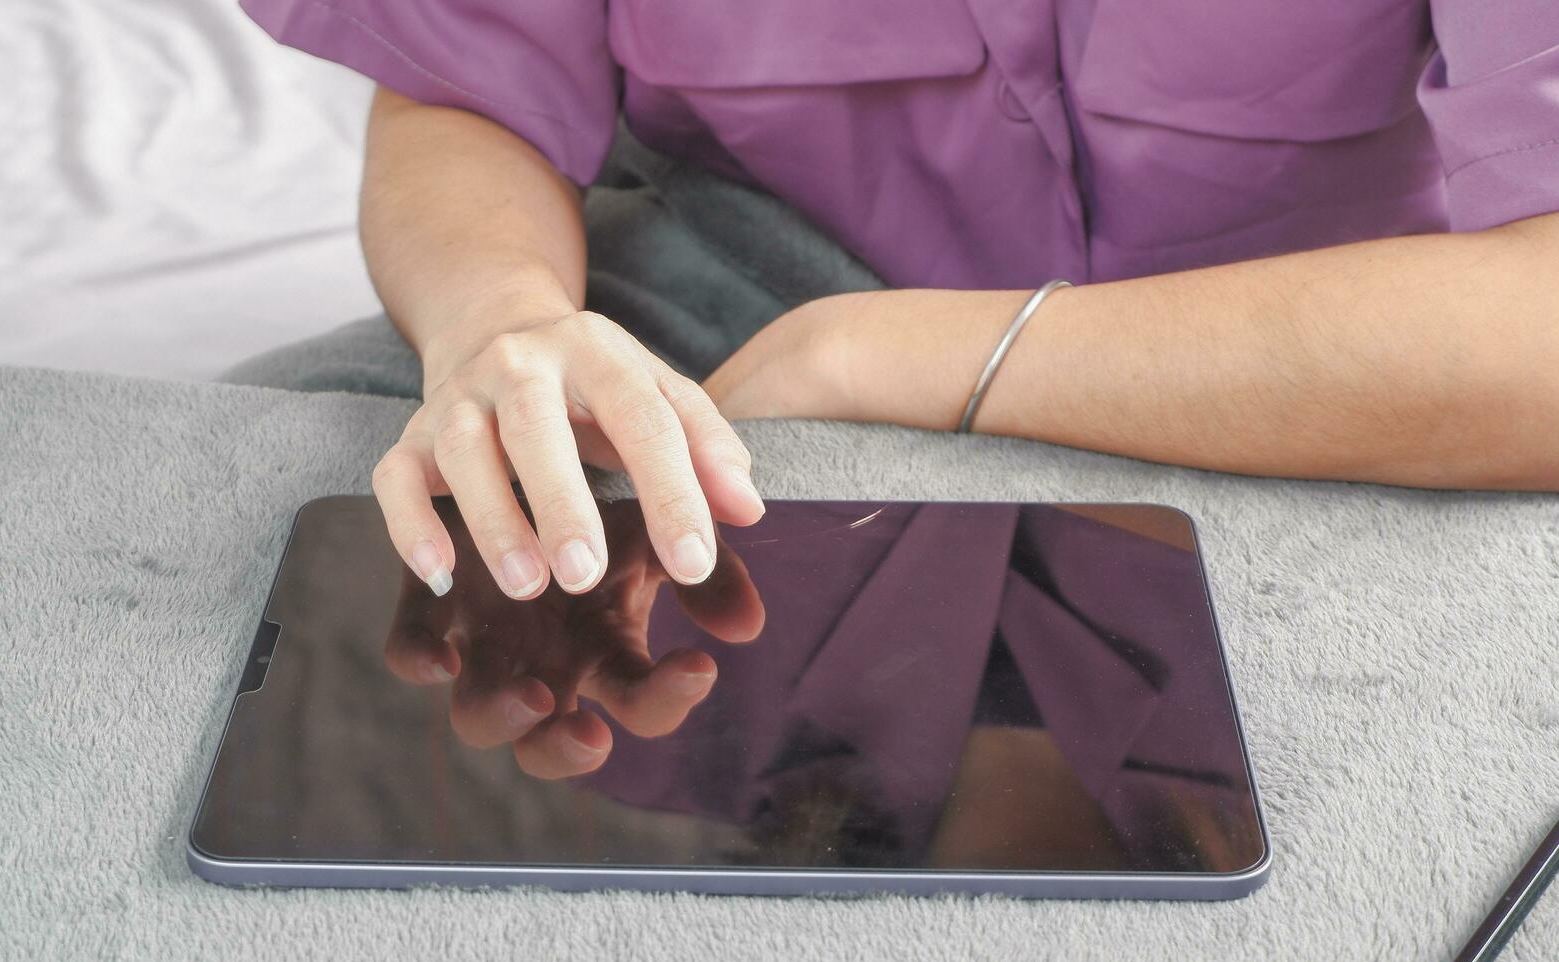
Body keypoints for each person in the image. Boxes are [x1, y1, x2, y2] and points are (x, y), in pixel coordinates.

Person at [242, 0, 1559, 600]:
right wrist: (502, 326)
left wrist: (880, 357)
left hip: (1328, 361)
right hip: (720, 296)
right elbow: (463, 86)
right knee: (289, 533)